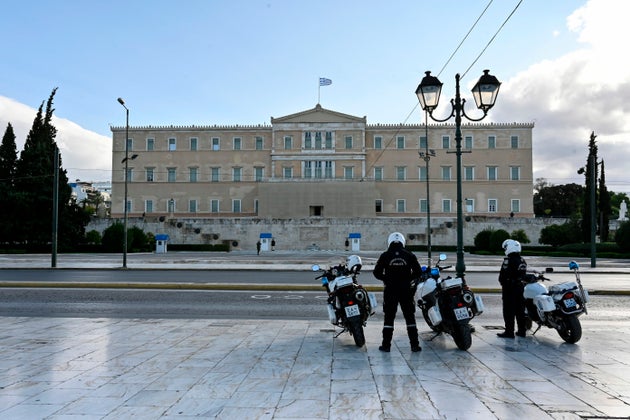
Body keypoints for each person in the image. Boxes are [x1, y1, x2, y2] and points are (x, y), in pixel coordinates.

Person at [373, 232, 422, 352]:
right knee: (410, 317)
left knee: (389, 318)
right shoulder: (409, 255)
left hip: (390, 290)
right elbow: (418, 272)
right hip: (406, 290)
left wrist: (387, 279)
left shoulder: (385, 255)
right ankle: (414, 345)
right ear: (403, 242)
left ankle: (386, 345)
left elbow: (376, 273)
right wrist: (408, 279)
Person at [497, 239, 528, 338]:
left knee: (508, 311)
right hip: (520, 288)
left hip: (510, 289)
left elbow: (502, 276)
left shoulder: (508, 260)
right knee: (520, 311)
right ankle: (522, 331)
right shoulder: (522, 260)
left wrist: (504, 284)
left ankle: (509, 332)